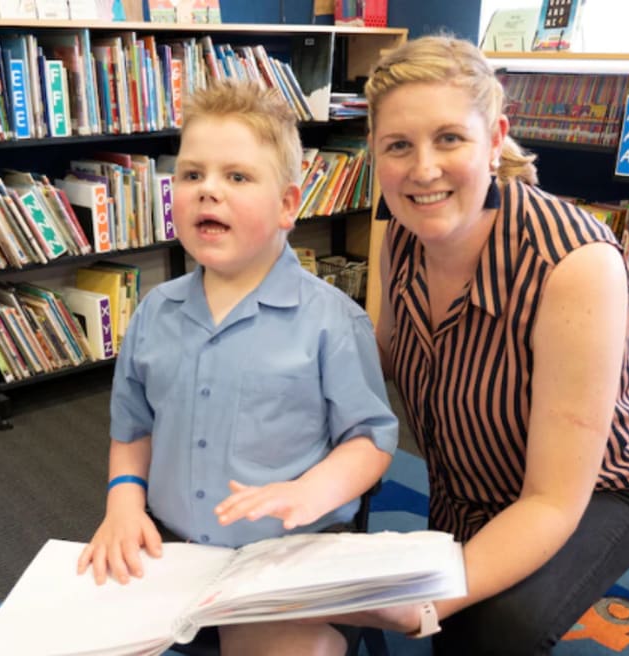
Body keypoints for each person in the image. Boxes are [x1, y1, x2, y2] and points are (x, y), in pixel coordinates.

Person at [333, 35, 629, 654]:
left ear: (494, 140)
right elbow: (378, 357)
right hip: (466, 486)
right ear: (375, 154)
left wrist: (433, 599)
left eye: (449, 138)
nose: (423, 169)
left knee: (493, 631)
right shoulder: (400, 226)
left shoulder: (573, 261)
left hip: (596, 488)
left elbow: (550, 500)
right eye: (398, 146)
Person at [76, 79, 398, 656]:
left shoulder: (332, 322)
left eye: (238, 176)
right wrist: (123, 504)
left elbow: (371, 439)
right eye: (192, 175)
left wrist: (311, 491)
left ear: (287, 206)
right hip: (171, 550)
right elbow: (132, 429)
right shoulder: (154, 312)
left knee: (288, 649)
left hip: (285, 555)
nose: (208, 192)